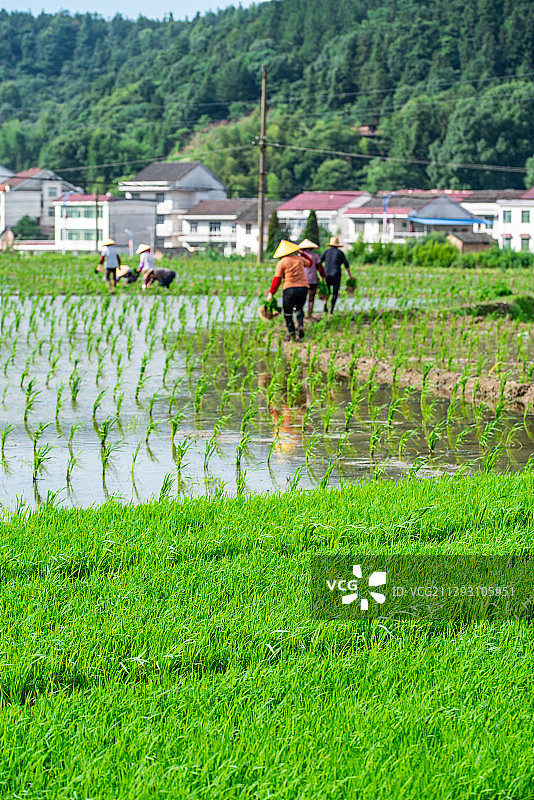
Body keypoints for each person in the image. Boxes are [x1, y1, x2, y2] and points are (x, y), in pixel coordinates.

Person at [266, 239, 311, 340]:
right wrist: (302, 253)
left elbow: (277, 280)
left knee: (288, 312)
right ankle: (300, 325)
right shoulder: (299, 259)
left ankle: (292, 334)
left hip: (289, 289)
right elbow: (310, 263)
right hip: (303, 288)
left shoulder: (282, 262)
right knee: (299, 309)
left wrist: (271, 293)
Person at [319, 236, 353, 313]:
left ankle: (325, 303)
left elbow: (319, 262)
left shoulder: (326, 252)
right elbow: (346, 265)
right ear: (337, 245)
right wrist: (350, 276)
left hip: (327, 273)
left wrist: (321, 273)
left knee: (327, 290)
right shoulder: (340, 253)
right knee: (335, 292)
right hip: (336, 273)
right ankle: (331, 309)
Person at [298, 238, 325, 320]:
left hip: (302, 280)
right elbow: (320, 268)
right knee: (311, 298)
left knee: (301, 298)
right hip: (313, 279)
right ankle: (309, 315)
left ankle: (301, 314)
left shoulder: (299, 256)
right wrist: (323, 276)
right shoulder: (315, 256)